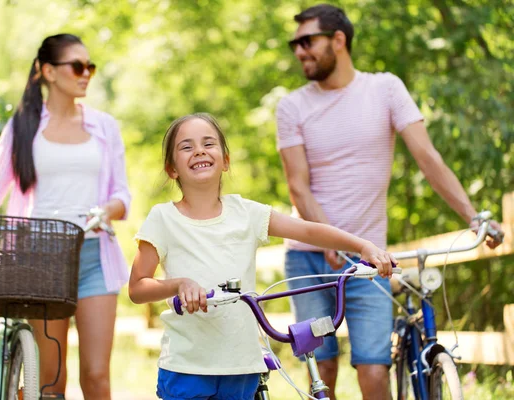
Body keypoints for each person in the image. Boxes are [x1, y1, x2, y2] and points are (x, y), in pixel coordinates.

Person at [276, 4, 504, 400]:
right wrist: (331, 240)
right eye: (295, 44)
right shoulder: (292, 106)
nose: (299, 51)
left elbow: (428, 158)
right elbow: (299, 187)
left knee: (374, 369)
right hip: (309, 258)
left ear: (338, 40)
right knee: (322, 368)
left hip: (369, 261)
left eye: (307, 41)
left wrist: (473, 217)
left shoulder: (384, 89)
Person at [127, 112, 396, 400]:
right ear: (172, 169)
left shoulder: (247, 213)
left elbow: (307, 231)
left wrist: (363, 246)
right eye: (186, 147)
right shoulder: (163, 218)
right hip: (186, 366)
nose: (199, 151)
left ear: (226, 160)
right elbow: (137, 287)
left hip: (242, 366)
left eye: (208, 143)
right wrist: (178, 284)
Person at [0, 34, 131, 399]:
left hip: (93, 257)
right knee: (51, 380)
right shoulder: (23, 126)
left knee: (98, 376)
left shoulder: (105, 126)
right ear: (48, 72)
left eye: (90, 66)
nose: (86, 73)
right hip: (41, 261)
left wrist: (107, 211)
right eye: (77, 66)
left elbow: (122, 195)